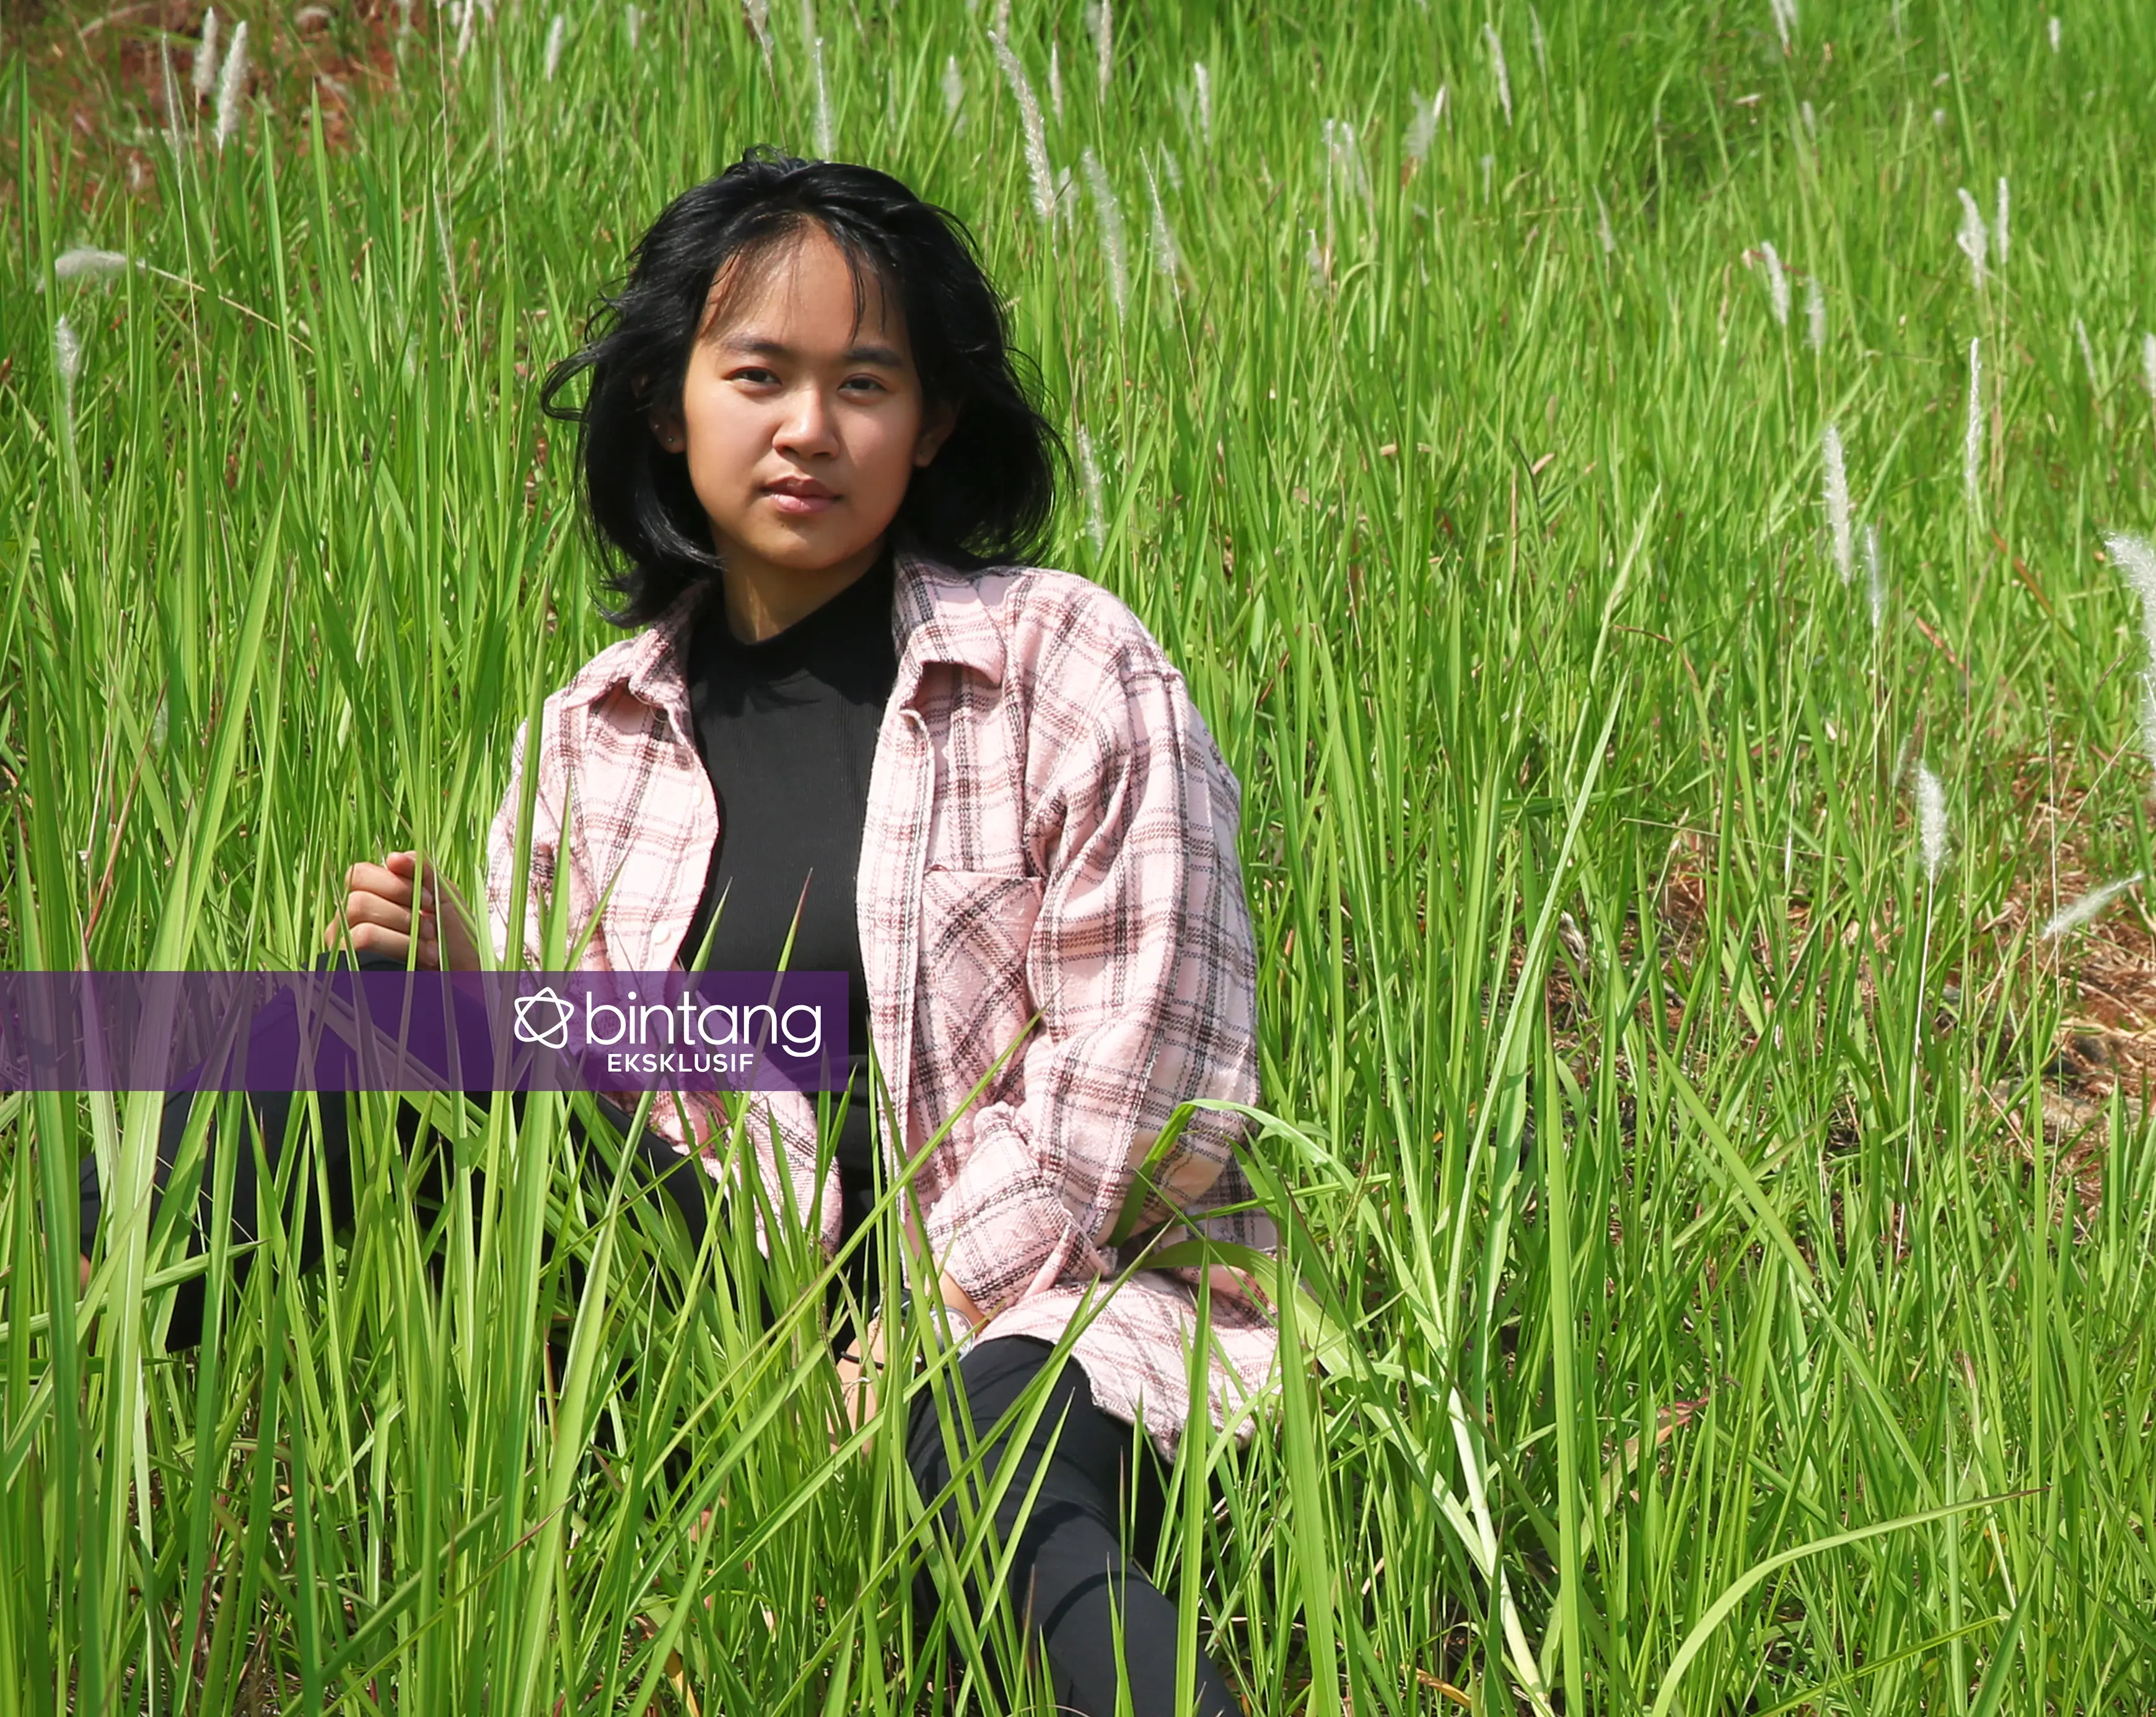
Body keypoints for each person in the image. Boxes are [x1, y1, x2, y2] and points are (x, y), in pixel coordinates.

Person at [87, 149, 1271, 1716]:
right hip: (715, 1296)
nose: (807, 427)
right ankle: (82, 1400)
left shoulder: (1072, 666)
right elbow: (610, 1106)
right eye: (758, 373)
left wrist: (896, 1340)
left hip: (1040, 1306)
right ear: (668, 404)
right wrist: (482, 1001)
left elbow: (1142, 1101)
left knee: (995, 1452)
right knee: (343, 1020)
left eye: (865, 381)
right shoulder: (594, 731)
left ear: (931, 427)